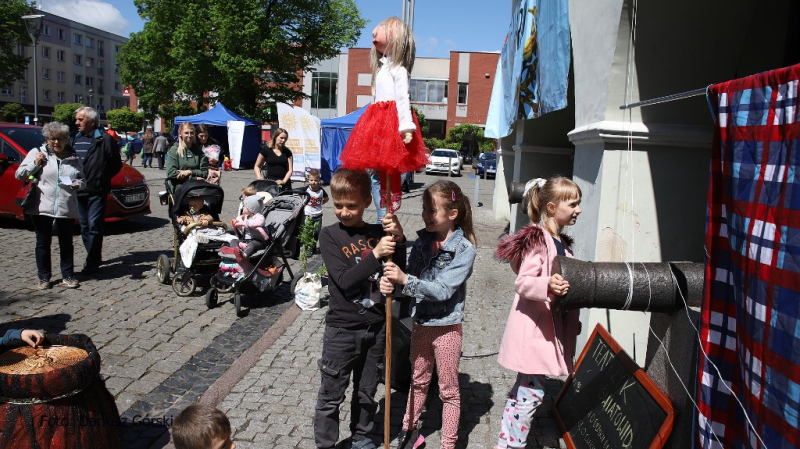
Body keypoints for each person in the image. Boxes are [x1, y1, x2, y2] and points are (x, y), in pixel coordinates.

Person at [380, 180, 477, 449]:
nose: (425, 215)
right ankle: (408, 432)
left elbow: (444, 289)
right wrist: (396, 252)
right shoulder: (422, 241)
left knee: (448, 390)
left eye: (432, 210)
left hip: (447, 327)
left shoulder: (465, 250)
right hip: (421, 323)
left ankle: (448, 443)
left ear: (452, 214)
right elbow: (409, 270)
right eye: (424, 209)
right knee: (418, 380)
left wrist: (405, 280)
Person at [314, 168, 406, 449]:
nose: (343, 211)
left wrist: (398, 240)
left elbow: (397, 270)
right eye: (338, 205)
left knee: (367, 391)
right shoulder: (329, 236)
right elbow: (343, 280)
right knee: (332, 393)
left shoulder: (378, 233)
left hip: (376, 327)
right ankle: (326, 444)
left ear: (367, 201)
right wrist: (374, 255)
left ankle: (363, 436)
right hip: (342, 329)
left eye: (351, 205)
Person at [493, 176, 583, 449]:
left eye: (579, 204)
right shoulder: (539, 240)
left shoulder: (560, 243)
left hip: (544, 330)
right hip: (533, 332)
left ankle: (506, 442)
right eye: (573, 204)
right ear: (552, 208)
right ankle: (513, 444)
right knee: (531, 394)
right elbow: (523, 281)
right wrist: (547, 284)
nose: (578, 209)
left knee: (524, 389)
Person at [338, 17, 429, 214]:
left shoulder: (399, 70)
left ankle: (387, 209)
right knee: (380, 167)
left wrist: (406, 125)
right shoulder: (381, 70)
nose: (374, 36)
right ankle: (382, 208)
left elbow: (404, 99)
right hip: (377, 119)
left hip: (391, 119)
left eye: (381, 31)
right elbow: (376, 98)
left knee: (390, 165)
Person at [16, 121, 85, 289]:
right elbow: (19, 174)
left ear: (66, 139)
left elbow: (83, 180)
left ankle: (68, 275)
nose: (56, 142)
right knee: (42, 242)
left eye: (60, 139)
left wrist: (78, 184)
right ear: (47, 139)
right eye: (52, 139)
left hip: (66, 206)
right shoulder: (37, 153)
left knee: (66, 243)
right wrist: (35, 163)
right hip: (42, 206)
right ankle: (44, 277)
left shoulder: (74, 157)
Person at [70, 107, 122, 276]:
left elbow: (116, 164)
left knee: (94, 225)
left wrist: (101, 177)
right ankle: (94, 255)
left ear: (91, 122)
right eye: (76, 119)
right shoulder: (73, 139)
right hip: (78, 189)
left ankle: (92, 262)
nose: (77, 122)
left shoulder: (105, 139)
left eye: (80, 120)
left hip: (96, 190)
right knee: (84, 226)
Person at [222, 194, 269, 264]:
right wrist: (237, 223)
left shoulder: (259, 217)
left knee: (252, 244)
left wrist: (244, 223)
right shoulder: (247, 216)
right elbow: (243, 227)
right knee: (234, 240)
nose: (243, 207)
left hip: (258, 241)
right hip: (245, 240)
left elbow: (257, 223)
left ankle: (243, 256)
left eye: (245, 206)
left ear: (251, 209)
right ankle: (233, 251)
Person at [166, 122, 208, 190]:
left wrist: (189, 172)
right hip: (179, 189)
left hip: (197, 189)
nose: (189, 135)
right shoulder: (174, 150)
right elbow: (171, 173)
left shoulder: (199, 152)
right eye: (186, 133)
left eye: (191, 133)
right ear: (180, 134)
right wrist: (194, 178)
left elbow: (204, 173)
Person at [304, 169, 329, 252]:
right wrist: (304, 202)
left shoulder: (321, 191)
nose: (313, 182)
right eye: (311, 180)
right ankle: (308, 249)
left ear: (319, 180)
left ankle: (313, 246)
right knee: (308, 232)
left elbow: (326, 198)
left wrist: (320, 203)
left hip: (318, 215)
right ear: (308, 180)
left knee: (317, 231)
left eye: (315, 180)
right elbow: (300, 195)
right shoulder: (306, 189)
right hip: (308, 214)